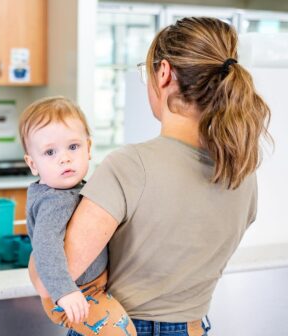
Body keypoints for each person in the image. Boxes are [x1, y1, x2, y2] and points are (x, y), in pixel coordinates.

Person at [29, 17, 272, 336]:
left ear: (164, 73)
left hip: (121, 327)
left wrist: (45, 215)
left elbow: (48, 280)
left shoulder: (129, 165)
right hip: (194, 328)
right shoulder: (241, 171)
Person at [19, 96, 137, 336]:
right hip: (76, 292)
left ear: (89, 148)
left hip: (91, 285)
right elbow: (45, 245)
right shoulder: (54, 200)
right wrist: (64, 292)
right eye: (50, 152)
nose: (65, 158)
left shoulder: (74, 188)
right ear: (33, 164)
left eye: (73, 147)